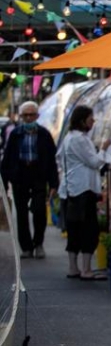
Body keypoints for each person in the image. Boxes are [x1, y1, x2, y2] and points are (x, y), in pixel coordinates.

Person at [57, 105, 110, 279]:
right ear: (82, 121)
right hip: (83, 189)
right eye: (90, 119)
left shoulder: (69, 138)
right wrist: (104, 148)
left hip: (73, 188)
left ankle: (74, 267)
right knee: (89, 228)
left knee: (74, 228)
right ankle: (86, 269)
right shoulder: (79, 139)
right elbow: (95, 162)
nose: (93, 121)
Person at [0, 101, 59, 259]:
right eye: (25, 115)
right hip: (20, 176)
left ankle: (38, 243)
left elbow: (52, 160)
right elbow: (7, 159)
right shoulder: (16, 134)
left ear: (37, 116)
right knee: (21, 213)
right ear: (21, 116)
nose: (28, 118)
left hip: (39, 175)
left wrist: (54, 182)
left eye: (31, 114)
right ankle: (26, 247)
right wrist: (4, 183)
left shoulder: (44, 134)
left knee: (39, 210)